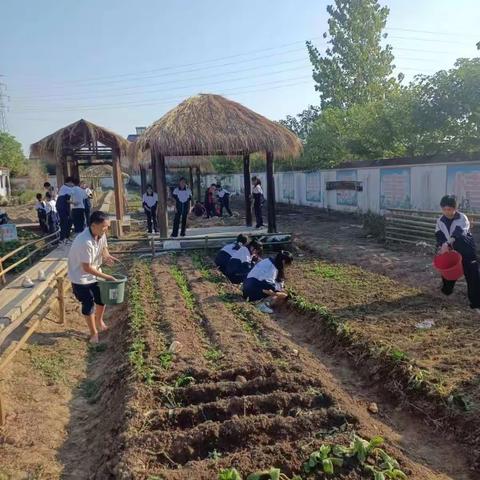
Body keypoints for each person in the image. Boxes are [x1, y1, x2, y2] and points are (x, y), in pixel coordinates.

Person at [67, 210, 118, 343]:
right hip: (81, 278)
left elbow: (103, 248)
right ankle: (93, 333)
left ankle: (99, 320)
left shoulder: (100, 233)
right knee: (88, 303)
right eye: (104, 227)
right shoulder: (84, 241)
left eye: (107, 226)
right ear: (93, 225)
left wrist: (107, 255)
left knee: (101, 299)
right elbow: (86, 268)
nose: (106, 229)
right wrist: (107, 277)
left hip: (94, 273)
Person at [435, 195, 480, 313]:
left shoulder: (462, 217)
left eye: (449, 209)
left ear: (455, 208)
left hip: (466, 248)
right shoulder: (440, 220)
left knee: (472, 274)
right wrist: (441, 245)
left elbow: (458, 232)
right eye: (444, 209)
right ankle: (446, 292)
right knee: (449, 270)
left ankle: (476, 303)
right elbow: (439, 233)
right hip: (450, 248)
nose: (446, 212)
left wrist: (447, 244)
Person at [56, 177, 74, 245]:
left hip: (65, 207)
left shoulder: (67, 188)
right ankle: (62, 239)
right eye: (72, 183)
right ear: (68, 182)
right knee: (64, 223)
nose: (72, 185)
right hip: (62, 208)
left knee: (69, 222)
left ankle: (66, 238)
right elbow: (73, 192)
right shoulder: (65, 188)